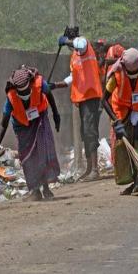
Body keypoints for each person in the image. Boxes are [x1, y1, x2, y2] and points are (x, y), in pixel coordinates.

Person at [0, 66, 61, 201]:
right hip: (22, 127)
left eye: (27, 91)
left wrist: (56, 115)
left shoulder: (40, 85)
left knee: (42, 152)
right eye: (21, 94)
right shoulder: (11, 97)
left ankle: (46, 188)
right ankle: (35, 190)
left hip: (39, 119)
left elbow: (50, 96)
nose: (25, 95)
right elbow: (3, 123)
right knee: (27, 157)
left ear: (30, 85)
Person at [102, 48, 138, 196]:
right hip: (122, 111)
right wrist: (117, 122)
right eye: (131, 76)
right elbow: (104, 100)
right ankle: (132, 180)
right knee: (124, 147)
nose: (134, 79)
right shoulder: (116, 74)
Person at [51, 36, 103, 181]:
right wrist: (55, 85)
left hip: (91, 97)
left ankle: (95, 169)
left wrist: (66, 40)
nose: (70, 47)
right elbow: (72, 78)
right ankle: (89, 169)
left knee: (90, 131)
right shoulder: (75, 56)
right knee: (84, 133)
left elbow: (79, 43)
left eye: (70, 44)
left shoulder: (84, 45)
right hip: (82, 99)